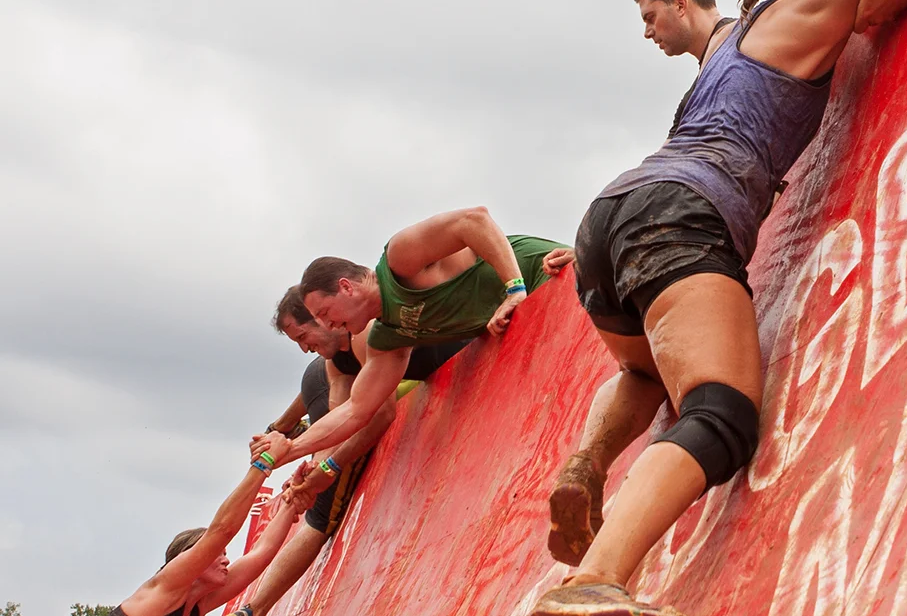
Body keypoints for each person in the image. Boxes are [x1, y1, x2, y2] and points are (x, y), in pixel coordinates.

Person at [529, 0, 891, 616]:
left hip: (610, 218)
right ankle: (591, 583)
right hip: (684, 211)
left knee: (646, 367)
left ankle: (589, 459)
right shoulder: (812, 10)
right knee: (720, 410)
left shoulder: (733, 37)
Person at [249, 210, 571, 468]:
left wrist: (515, 289)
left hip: (545, 273)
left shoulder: (399, 260)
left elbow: (475, 220)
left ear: (347, 287)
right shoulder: (387, 337)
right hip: (521, 320)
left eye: (324, 312)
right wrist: (287, 451)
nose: (326, 323)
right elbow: (356, 412)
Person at [229, 296, 474, 616]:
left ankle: (252, 610)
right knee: (319, 511)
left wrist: (319, 463)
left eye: (303, 337)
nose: (304, 348)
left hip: (331, 382)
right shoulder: (336, 358)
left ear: (323, 318)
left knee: (320, 507)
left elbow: (377, 416)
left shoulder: (364, 335)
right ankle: (252, 610)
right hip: (323, 386)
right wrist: (311, 465)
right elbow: (343, 422)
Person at [110, 435, 303, 616]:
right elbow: (222, 530)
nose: (226, 561)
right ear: (190, 556)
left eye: (225, 554)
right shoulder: (166, 588)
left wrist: (292, 500)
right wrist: (265, 461)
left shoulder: (196, 602)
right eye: (218, 553)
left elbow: (261, 553)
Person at [635, 0, 736, 137]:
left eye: (651, 17)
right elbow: (665, 160)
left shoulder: (749, 37)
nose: (647, 33)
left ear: (680, 5)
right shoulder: (689, 105)